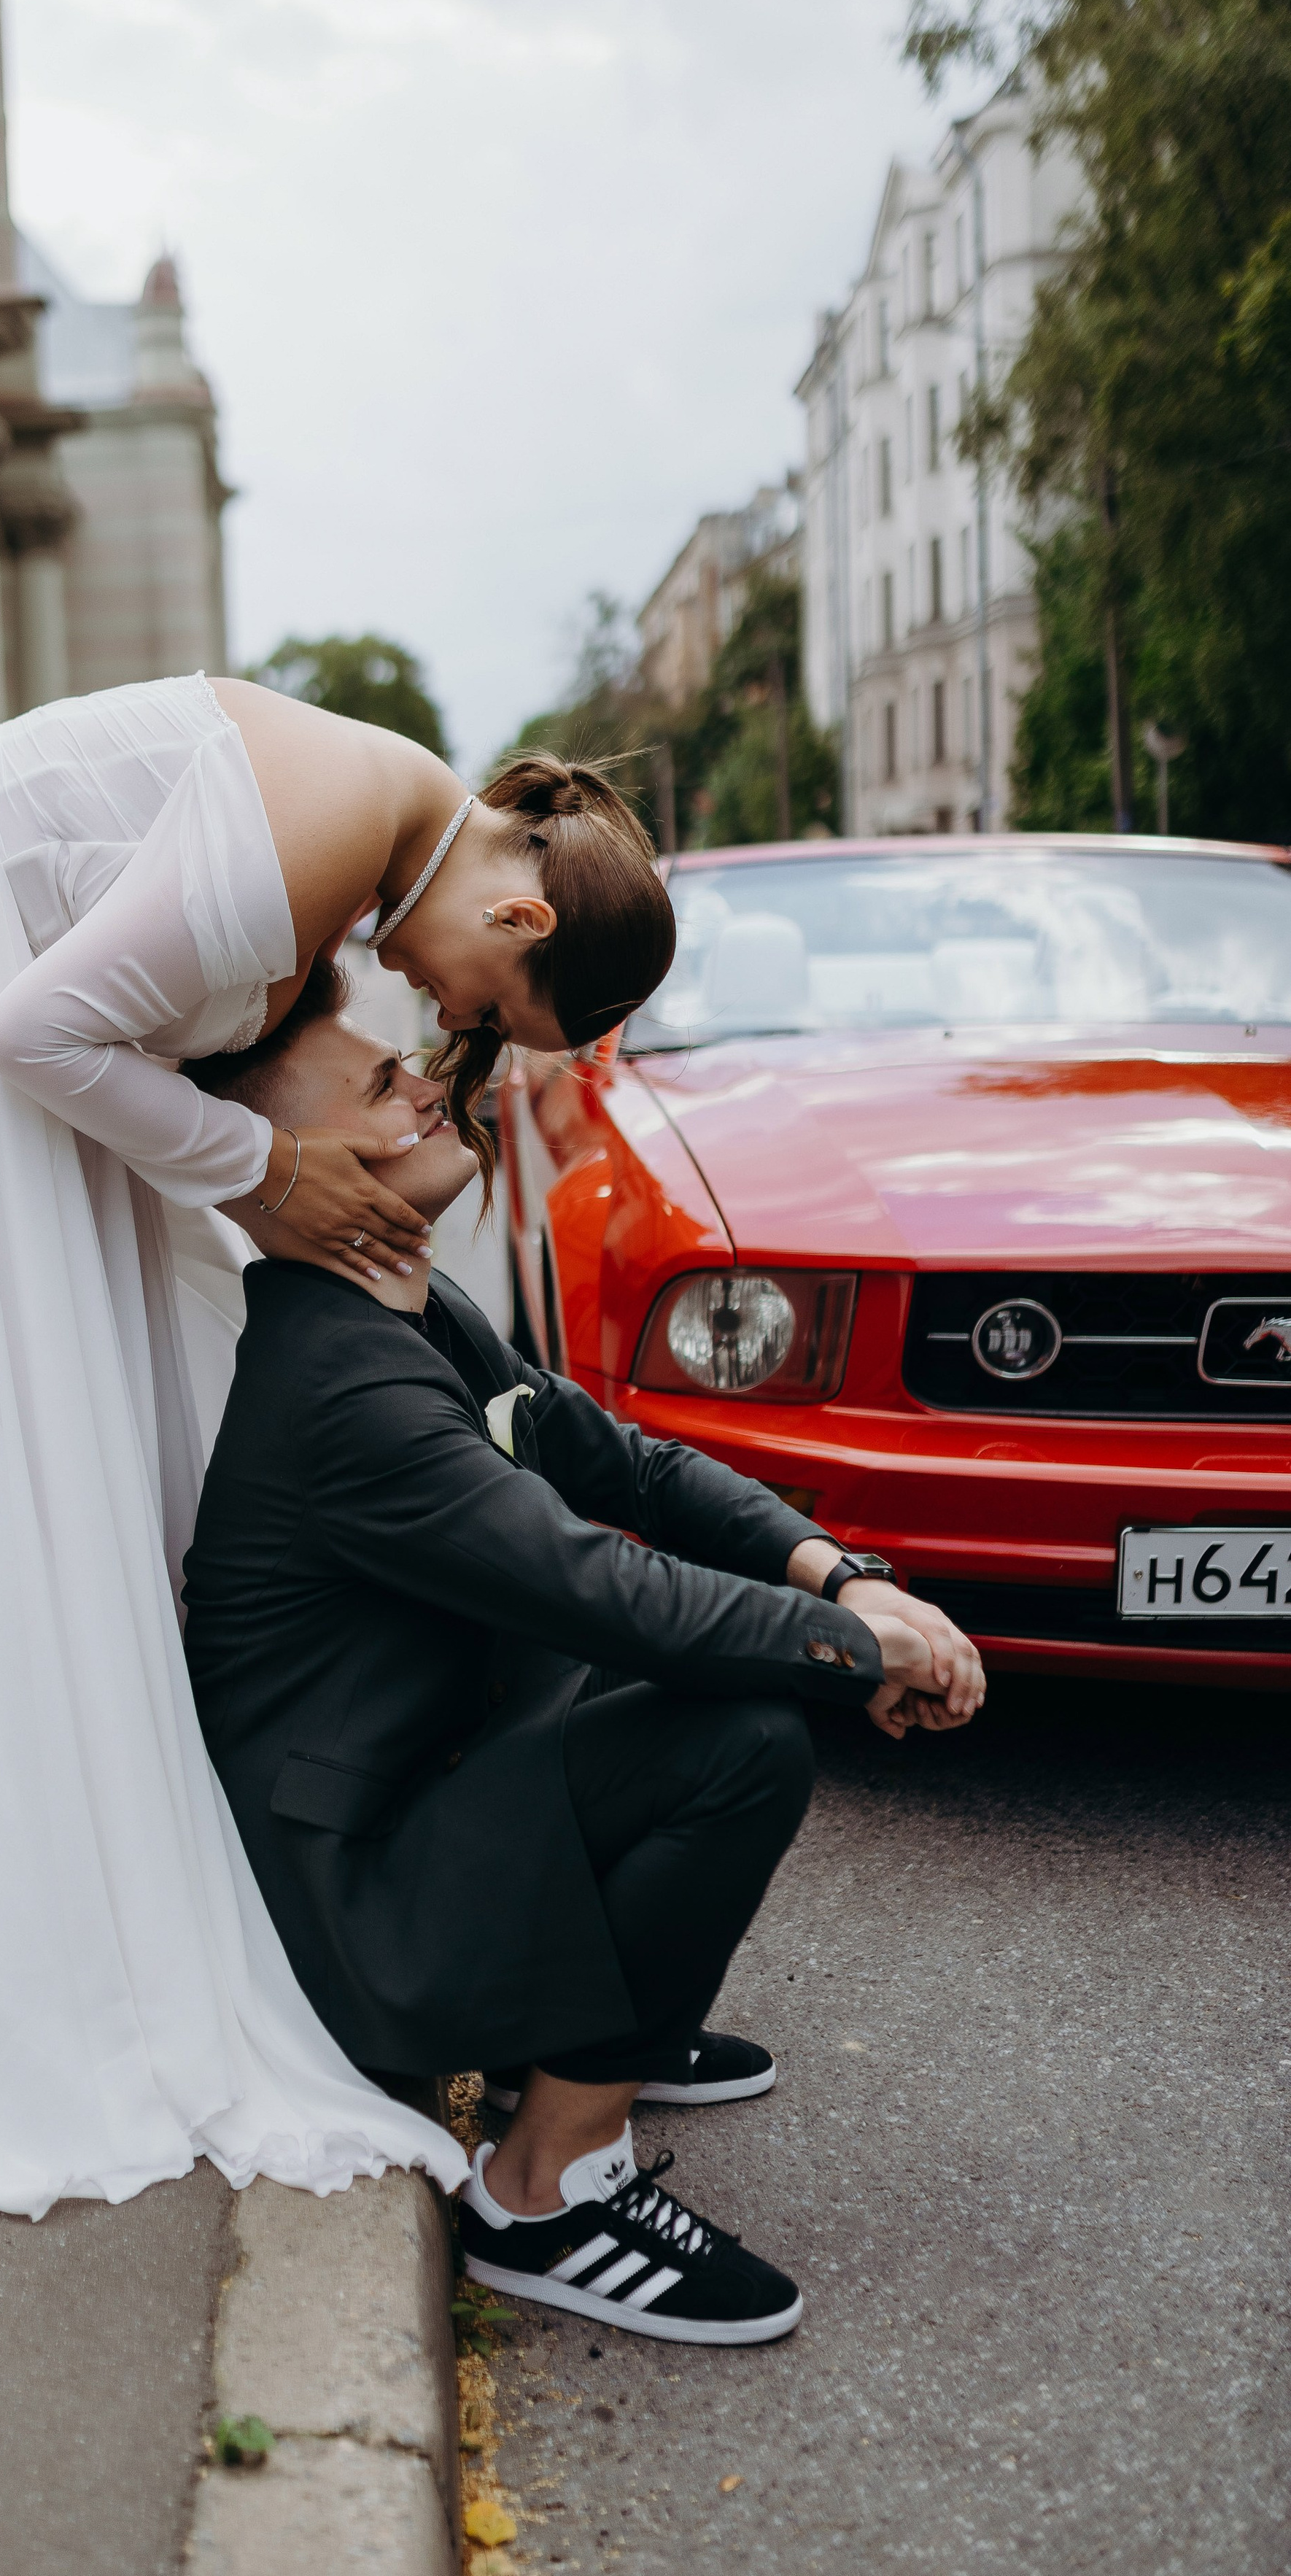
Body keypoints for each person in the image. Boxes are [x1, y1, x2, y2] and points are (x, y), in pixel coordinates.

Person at [0, 670, 674, 2216]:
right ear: (522, 926)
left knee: (70, 1448)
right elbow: (36, 1029)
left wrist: (260, 1173)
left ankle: (38, 1908)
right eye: (482, 1012)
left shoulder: (362, 842)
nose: (442, 1026)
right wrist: (266, 1173)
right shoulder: (336, 823)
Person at [181, 974, 985, 2343]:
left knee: (689, 1677)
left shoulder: (412, 1312)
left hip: (429, 1783)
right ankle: (548, 2190)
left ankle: (587, 2021)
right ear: (295, 1170)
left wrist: (843, 1577)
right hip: (357, 1911)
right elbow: (599, 1587)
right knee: (735, 1742)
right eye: (381, 1085)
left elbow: (634, 1466)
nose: (430, 1079)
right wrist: (858, 1651)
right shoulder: (337, 1388)